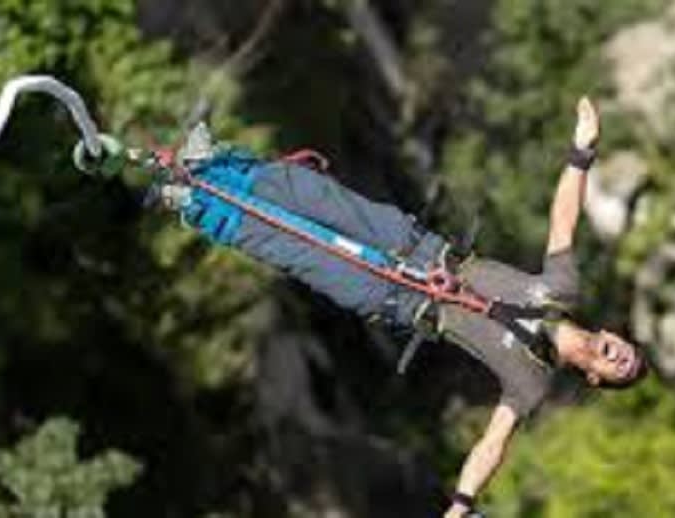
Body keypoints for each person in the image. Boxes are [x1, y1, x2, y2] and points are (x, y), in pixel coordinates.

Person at [158, 97, 647, 517]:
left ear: (595, 377)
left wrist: (462, 503)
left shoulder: (530, 382)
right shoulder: (562, 289)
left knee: (298, 251)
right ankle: (214, 167)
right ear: (614, 335)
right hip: (417, 247)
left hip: (399, 299)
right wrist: (582, 152)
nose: (623, 356)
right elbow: (563, 219)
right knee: (314, 195)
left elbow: (492, 445)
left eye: (622, 369)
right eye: (628, 352)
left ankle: (196, 205)